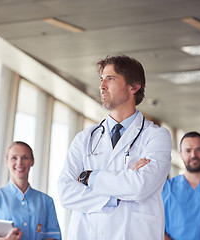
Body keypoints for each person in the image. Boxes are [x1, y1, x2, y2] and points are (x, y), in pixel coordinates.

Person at [58, 55, 172, 240]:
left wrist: (89, 177)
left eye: (110, 78)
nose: (102, 86)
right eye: (101, 79)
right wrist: (114, 197)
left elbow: (140, 186)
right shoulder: (84, 138)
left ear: (134, 87)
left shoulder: (157, 137)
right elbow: (65, 192)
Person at [0, 141, 61, 240]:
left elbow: (53, 237)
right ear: (6, 161)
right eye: (14, 158)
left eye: (25, 157)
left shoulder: (46, 201)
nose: (19, 163)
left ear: (32, 161)